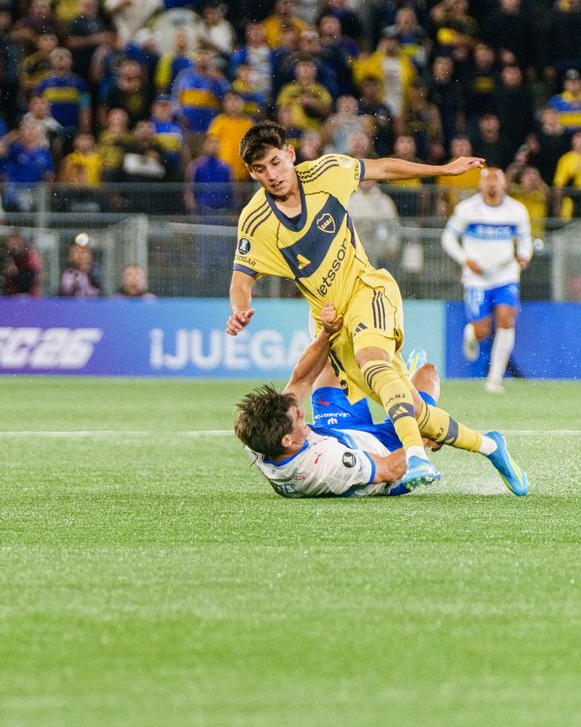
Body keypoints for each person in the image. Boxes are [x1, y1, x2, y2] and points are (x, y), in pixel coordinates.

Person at [227, 120, 489, 481]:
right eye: (259, 169)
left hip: (363, 292)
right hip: (327, 316)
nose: (271, 175)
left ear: (289, 154)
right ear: (250, 172)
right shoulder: (255, 221)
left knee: (350, 373)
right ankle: (410, 395)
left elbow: (382, 168)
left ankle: (415, 446)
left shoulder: (326, 172)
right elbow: (242, 277)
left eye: (275, 162)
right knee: (411, 394)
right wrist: (239, 308)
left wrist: (442, 169)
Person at [235, 303, 528, 498]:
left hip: (339, 435)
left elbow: (301, 380)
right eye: (298, 417)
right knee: (427, 377)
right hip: (378, 457)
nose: (302, 412)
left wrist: (326, 331)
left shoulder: (257, 438)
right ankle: (405, 379)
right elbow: (390, 468)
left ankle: (394, 377)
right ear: (287, 441)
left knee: (330, 364)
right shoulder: (327, 467)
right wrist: (421, 442)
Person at [442, 168, 533, 394]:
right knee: (482, 331)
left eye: (496, 180)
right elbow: (448, 237)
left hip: (505, 274)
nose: (492, 184)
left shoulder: (516, 210)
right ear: (480, 185)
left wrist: (524, 256)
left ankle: (495, 379)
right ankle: (471, 336)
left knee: (506, 320)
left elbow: (525, 240)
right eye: (488, 180)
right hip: (477, 278)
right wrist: (465, 259)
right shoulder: (467, 209)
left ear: (504, 184)